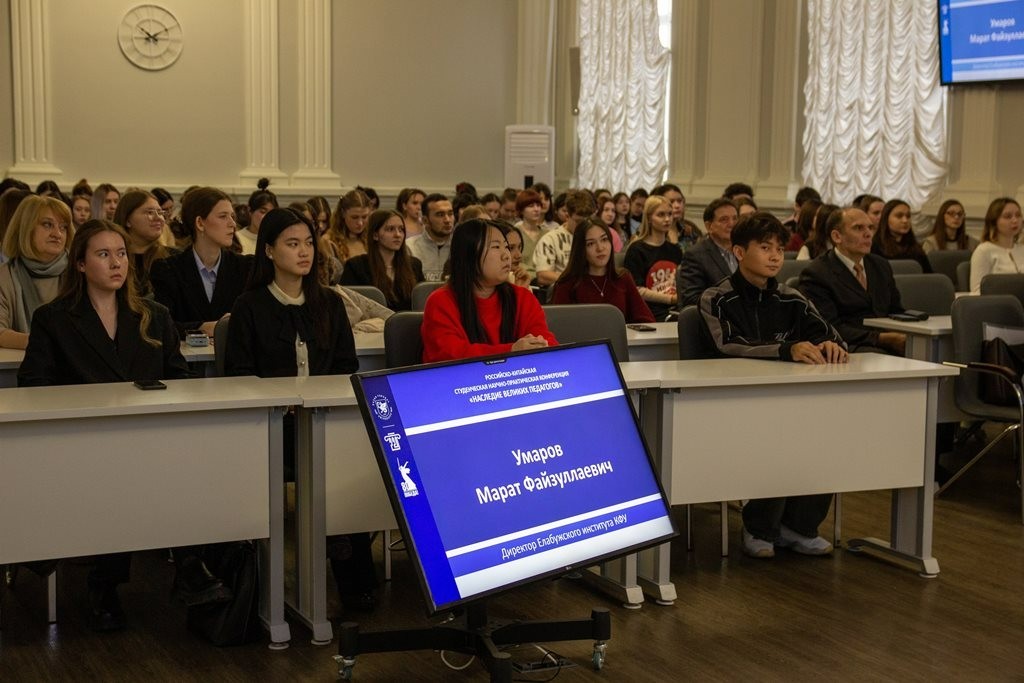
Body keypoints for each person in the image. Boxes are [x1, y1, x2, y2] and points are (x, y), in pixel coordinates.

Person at [18, 219, 200, 631]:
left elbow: (181, 379)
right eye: (103, 254)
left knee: (182, 466)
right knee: (120, 474)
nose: (117, 263)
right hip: (83, 442)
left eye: (121, 254)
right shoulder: (54, 318)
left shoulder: (153, 315)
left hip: (149, 439)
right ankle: (128, 577)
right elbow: (34, 386)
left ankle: (188, 564)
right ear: (81, 264)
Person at [224, 208, 374, 611]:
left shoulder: (329, 303)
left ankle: (350, 569)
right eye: (292, 244)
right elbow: (238, 375)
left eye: (308, 243)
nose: (304, 252)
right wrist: (279, 401)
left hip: (324, 424)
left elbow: (346, 367)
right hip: (273, 428)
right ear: (269, 251)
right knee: (315, 466)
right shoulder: (249, 306)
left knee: (354, 465)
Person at [700, 212, 845, 558]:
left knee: (825, 432)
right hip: (732, 401)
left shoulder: (791, 298)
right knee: (777, 435)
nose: (775, 256)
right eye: (765, 248)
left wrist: (830, 345)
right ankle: (759, 527)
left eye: (780, 249)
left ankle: (799, 527)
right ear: (739, 252)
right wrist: (785, 349)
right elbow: (728, 345)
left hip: (790, 399)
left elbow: (829, 334)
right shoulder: (716, 298)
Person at [421, 218, 557, 362]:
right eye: (496, 247)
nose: (506, 255)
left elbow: (545, 341)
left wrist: (540, 345)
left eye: (506, 247)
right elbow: (448, 355)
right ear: (469, 254)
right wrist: (511, 352)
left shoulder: (522, 297)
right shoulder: (440, 302)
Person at [798, 207, 906, 355]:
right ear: (837, 236)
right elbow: (828, 327)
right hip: (847, 346)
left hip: (887, 341)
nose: (868, 234)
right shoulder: (817, 274)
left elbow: (896, 311)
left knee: (925, 348)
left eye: (870, 228)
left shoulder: (880, 265)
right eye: (858, 228)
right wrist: (882, 339)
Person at [150, 187, 253, 337]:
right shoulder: (168, 270)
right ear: (199, 223)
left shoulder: (245, 267)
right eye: (223, 216)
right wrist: (205, 327)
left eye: (232, 216)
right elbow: (162, 326)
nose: (232, 224)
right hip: (185, 352)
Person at [0, 195, 74, 349]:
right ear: (26, 228)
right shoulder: (5, 276)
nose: (57, 234)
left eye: (63, 227)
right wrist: (44, 342)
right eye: (47, 225)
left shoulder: (79, 273)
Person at [551, 218, 654, 323]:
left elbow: (647, 320)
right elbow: (558, 326)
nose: (600, 248)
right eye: (591, 244)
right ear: (581, 249)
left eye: (604, 239)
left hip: (620, 334)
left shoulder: (623, 277)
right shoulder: (567, 282)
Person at [340, 209, 424, 310]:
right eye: (390, 229)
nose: (398, 235)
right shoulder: (356, 266)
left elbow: (422, 303)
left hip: (408, 320)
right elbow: (346, 306)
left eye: (401, 229)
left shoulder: (414, 265)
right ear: (375, 235)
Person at [623, 195, 681, 321]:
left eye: (670, 214)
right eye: (661, 215)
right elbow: (636, 289)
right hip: (649, 310)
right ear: (649, 218)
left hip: (676, 308)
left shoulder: (675, 250)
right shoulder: (637, 250)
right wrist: (670, 299)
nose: (667, 219)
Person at [676, 197, 739, 307]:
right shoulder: (695, 255)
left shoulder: (744, 250)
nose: (731, 224)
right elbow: (691, 298)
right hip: (717, 314)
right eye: (724, 220)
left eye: (735, 218)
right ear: (709, 226)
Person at [113, 190, 178, 297]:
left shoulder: (174, 259)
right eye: (150, 212)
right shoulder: (113, 260)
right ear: (127, 220)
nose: (158, 218)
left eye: (160, 213)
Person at [535, 189, 595, 286]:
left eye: (588, 221)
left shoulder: (595, 237)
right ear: (567, 216)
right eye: (579, 222)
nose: (584, 226)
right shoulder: (550, 239)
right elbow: (543, 276)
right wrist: (578, 280)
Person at [969, 197, 1024, 293]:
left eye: (1018, 215)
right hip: (997, 301)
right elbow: (977, 291)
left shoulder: (1022, 249)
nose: (1015, 220)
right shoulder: (983, 251)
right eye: (1008, 216)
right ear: (994, 222)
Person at [871, 199, 932, 273]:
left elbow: (928, 274)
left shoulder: (915, 247)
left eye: (908, 216)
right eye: (899, 216)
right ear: (886, 219)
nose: (905, 220)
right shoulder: (875, 246)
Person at [406, 193, 454, 281]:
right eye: (440, 215)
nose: (447, 220)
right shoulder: (410, 247)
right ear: (425, 220)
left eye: (450, 214)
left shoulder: (461, 246)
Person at [650, 184, 702, 250]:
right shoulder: (653, 231)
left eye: (679, 201)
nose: (677, 206)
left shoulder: (690, 229)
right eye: (671, 202)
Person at [512, 189, 549, 282]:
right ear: (521, 210)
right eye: (531, 206)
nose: (536, 209)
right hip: (521, 279)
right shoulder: (515, 233)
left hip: (544, 282)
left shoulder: (547, 234)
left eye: (538, 205)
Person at [236, 178, 278, 255]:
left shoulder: (276, 241)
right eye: (263, 212)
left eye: (271, 213)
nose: (267, 217)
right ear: (250, 211)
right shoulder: (237, 238)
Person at [503, 223, 532, 287]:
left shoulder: (519, 279)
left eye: (519, 247)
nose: (519, 255)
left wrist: (522, 287)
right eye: (511, 248)